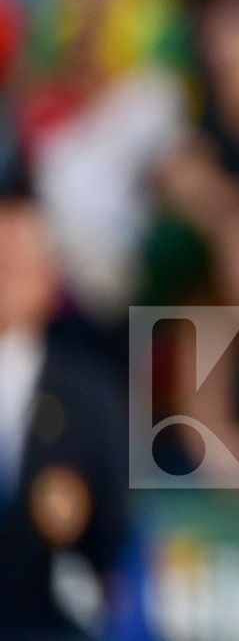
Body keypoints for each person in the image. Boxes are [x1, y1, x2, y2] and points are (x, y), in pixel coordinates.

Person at [0, 174, 135, 641]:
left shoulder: (90, 396)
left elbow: (116, 541)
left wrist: (80, 518)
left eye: (17, 264)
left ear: (49, 276)